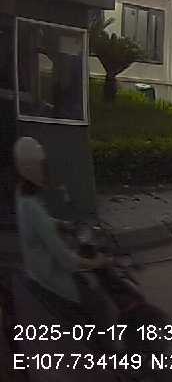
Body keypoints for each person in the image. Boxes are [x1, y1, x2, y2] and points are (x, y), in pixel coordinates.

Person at [13, 137, 109, 323]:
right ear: (33, 169)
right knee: (98, 303)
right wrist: (96, 262)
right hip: (51, 276)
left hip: (36, 270)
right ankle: (104, 341)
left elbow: (36, 223)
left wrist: (60, 224)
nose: (45, 170)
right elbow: (66, 259)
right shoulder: (32, 207)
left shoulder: (22, 195)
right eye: (42, 166)